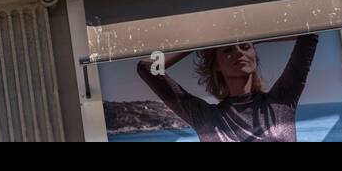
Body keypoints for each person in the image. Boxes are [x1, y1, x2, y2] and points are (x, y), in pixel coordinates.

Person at [135, 34, 319, 142]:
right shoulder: (205, 117)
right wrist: (196, 44)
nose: (239, 52)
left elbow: (310, 35)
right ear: (216, 65)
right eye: (228, 50)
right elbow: (147, 68)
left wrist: (255, 37)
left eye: (245, 47)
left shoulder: (281, 102)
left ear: (255, 55)